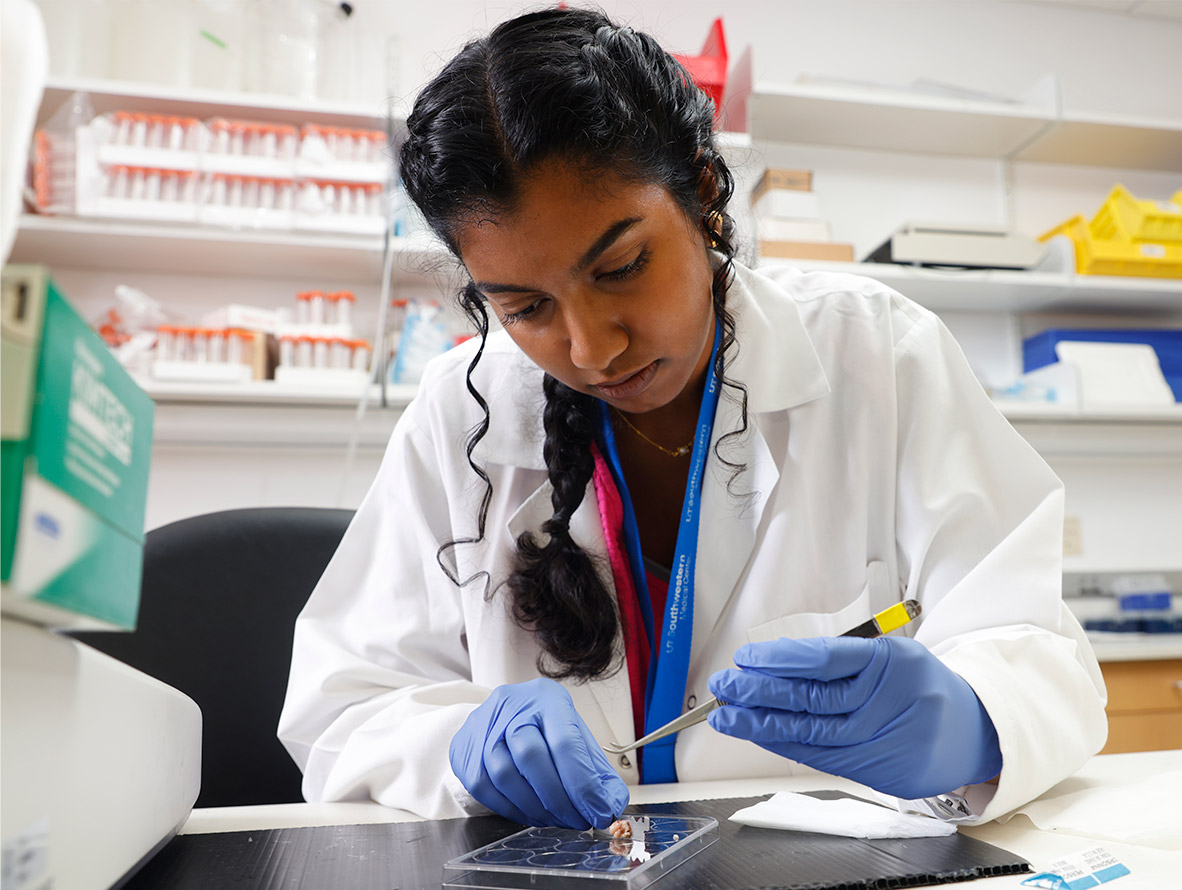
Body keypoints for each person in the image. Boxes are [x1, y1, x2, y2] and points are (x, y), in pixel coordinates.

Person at [278, 7, 1108, 831]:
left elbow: (1042, 655)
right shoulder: (461, 412)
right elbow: (344, 707)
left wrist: (971, 721)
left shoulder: (878, 354)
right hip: (557, 885)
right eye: (527, 306)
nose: (592, 348)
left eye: (621, 267)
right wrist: (457, 745)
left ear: (704, 194)